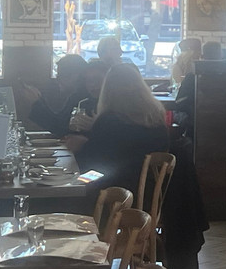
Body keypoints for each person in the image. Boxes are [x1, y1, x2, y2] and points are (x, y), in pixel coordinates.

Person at [70, 64, 169, 193]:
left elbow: (94, 168)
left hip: (113, 194)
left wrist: (80, 147)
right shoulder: (155, 116)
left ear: (107, 90)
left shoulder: (109, 120)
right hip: (149, 191)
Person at [19, 53, 88, 137]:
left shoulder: (82, 99)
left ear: (75, 76)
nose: (57, 80)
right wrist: (38, 101)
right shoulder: (77, 96)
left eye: (60, 75)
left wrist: (36, 103)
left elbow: (60, 127)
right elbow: (58, 122)